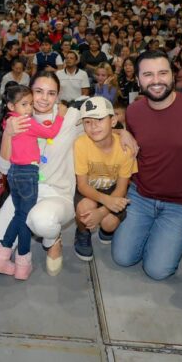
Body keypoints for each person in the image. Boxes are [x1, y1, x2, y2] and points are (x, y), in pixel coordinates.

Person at [0, 71, 136, 277]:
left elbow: (98, 127)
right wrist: (8, 135)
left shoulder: (70, 117)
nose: (44, 98)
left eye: (51, 93)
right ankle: (27, 237)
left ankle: (52, 239)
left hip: (57, 193)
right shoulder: (15, 120)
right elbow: (3, 168)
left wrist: (122, 131)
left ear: (58, 94)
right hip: (23, 191)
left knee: (42, 221)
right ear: (30, 91)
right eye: (38, 91)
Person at [112, 50, 182, 280]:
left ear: (173, 76)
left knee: (157, 271)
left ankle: (161, 235)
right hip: (140, 196)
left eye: (163, 73)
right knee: (122, 258)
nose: (157, 80)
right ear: (138, 80)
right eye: (148, 74)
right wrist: (121, 131)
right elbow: (133, 137)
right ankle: (152, 232)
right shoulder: (133, 111)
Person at [0, 85, 64, 280]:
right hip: (28, 173)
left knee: (19, 215)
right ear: (11, 105)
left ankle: (2, 256)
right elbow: (50, 132)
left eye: (30, 104)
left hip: (14, 173)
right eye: (24, 104)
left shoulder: (9, 121)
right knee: (24, 219)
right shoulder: (26, 122)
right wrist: (61, 116)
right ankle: (22, 262)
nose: (29, 108)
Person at [72, 97, 137, 261]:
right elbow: (82, 186)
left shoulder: (125, 149)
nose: (93, 126)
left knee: (109, 223)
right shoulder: (81, 144)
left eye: (99, 119)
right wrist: (104, 201)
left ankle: (105, 230)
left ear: (113, 120)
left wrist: (102, 212)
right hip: (89, 188)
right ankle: (82, 232)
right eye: (87, 122)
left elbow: (122, 188)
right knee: (85, 210)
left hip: (113, 189)